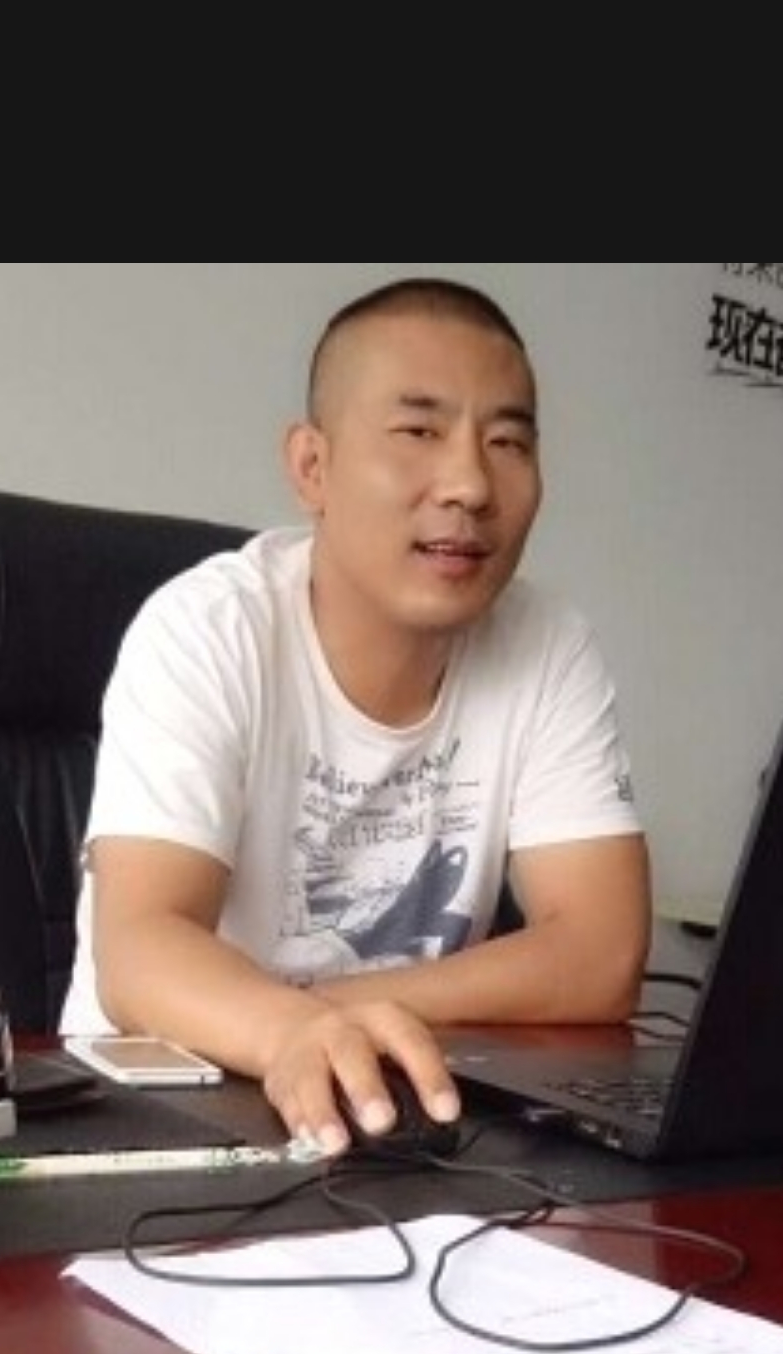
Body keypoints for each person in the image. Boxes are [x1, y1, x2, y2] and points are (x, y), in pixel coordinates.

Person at [62, 276, 652, 1152]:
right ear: (313, 467)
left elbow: (601, 955)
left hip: (395, 1110)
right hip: (166, 1111)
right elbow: (142, 947)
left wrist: (330, 1018)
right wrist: (290, 1032)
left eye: (507, 442)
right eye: (418, 432)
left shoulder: (548, 644)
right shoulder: (208, 629)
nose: (470, 484)